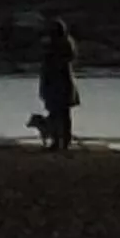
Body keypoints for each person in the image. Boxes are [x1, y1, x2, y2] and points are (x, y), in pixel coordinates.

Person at [36, 18, 80, 153]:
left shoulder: (59, 47)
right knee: (60, 114)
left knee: (59, 114)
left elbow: (51, 66)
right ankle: (61, 141)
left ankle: (61, 141)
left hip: (58, 84)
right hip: (58, 83)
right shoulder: (62, 45)